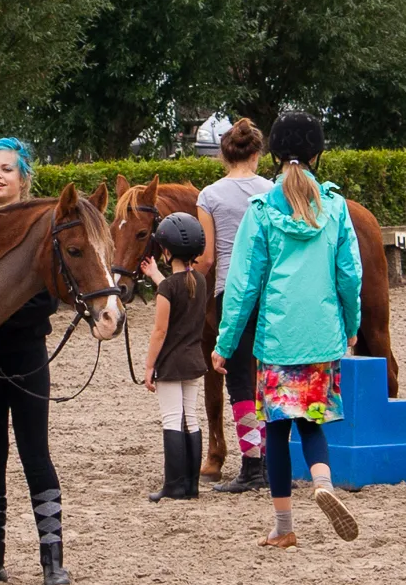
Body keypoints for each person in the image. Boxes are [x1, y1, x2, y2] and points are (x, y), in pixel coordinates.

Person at [212, 113, 360, 548]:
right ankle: (323, 483)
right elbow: (350, 276)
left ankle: (284, 528)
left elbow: (241, 285)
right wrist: (351, 327)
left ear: (273, 155)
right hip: (322, 335)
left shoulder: (260, 213)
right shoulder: (335, 207)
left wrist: (226, 342)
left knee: (276, 431)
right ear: (318, 154)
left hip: (277, 338)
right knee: (313, 422)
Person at [0, 137, 71, 585]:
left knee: (34, 453)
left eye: (6, 168)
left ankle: (52, 560)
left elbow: (50, 295)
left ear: (24, 177)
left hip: (27, 357)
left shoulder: (43, 231)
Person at [194, 117, 274, 493]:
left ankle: (252, 466)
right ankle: (275, 461)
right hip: (273, 293)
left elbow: (207, 260)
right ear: (257, 154)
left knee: (240, 382)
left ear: (224, 156)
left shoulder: (209, 196)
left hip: (231, 292)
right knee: (271, 378)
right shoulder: (273, 191)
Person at [139, 213, 210, 502]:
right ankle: (191, 486)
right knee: (190, 418)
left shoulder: (168, 288)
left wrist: (148, 366)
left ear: (167, 251)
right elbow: (180, 290)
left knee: (171, 419)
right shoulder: (201, 281)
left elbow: (160, 330)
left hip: (171, 363)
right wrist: (156, 276)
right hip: (194, 361)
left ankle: (173, 485)